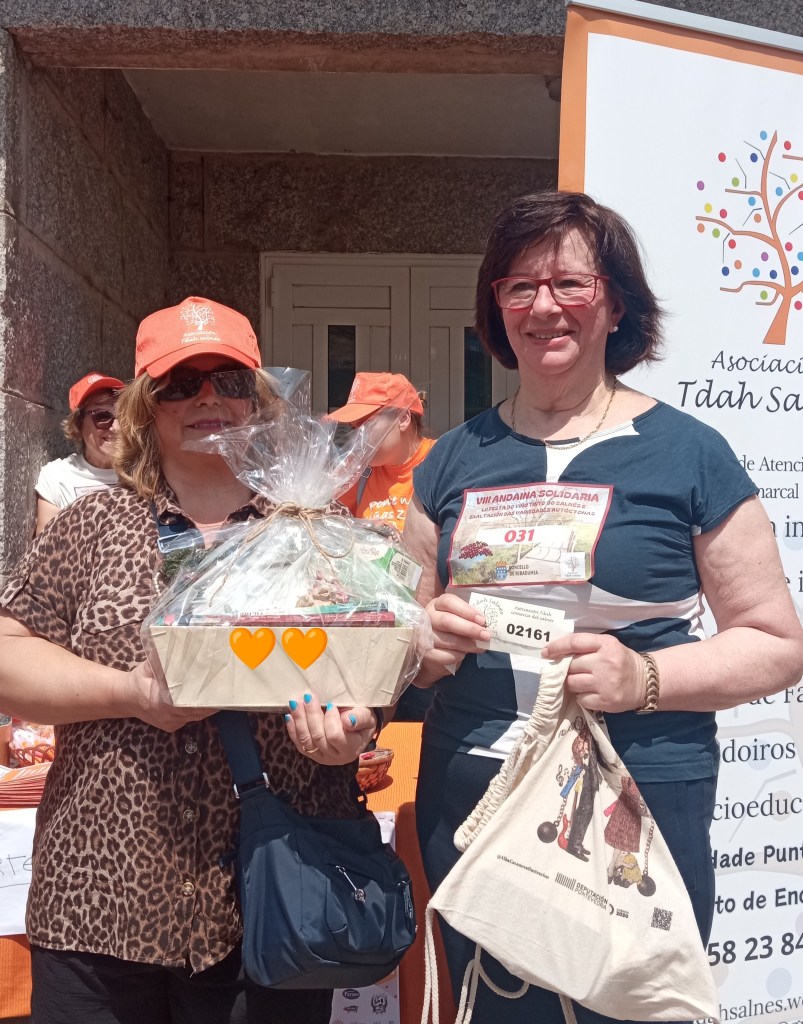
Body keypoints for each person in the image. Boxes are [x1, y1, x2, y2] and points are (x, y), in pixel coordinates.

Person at [404, 190, 803, 1023]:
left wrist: (644, 677)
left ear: (615, 305)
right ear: (495, 308)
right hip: (474, 789)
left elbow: (774, 642)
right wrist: (424, 646)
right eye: (518, 286)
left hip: (635, 794)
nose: (542, 306)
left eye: (569, 284)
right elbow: (404, 634)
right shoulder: (450, 460)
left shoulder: (689, 454)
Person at [0, 295, 381, 1024]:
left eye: (228, 381)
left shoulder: (315, 528)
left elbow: (370, 664)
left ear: (258, 403)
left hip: (274, 902)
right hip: (98, 900)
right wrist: (131, 693)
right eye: (180, 383)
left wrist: (353, 730)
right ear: (146, 408)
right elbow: (7, 655)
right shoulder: (92, 525)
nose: (207, 398)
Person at [329, 371, 436, 720]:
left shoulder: (442, 463)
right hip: (372, 642)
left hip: (431, 643)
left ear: (403, 418)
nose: (358, 436)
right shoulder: (356, 474)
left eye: (367, 423)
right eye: (354, 427)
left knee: (422, 733)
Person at [35, 371, 124, 534]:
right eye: (102, 416)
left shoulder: (143, 475)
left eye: (124, 417)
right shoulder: (57, 477)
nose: (116, 428)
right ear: (78, 424)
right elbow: (46, 546)